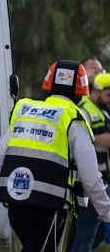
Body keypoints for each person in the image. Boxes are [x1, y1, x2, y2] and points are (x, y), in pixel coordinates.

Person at [0, 60, 110, 252]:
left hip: (17, 206)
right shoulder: (73, 119)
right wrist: (107, 216)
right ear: (81, 93)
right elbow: (90, 179)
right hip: (49, 209)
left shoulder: (23, 111)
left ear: (48, 86)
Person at [71, 72, 110, 251]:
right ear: (96, 91)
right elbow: (84, 139)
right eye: (108, 95)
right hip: (88, 183)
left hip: (102, 181)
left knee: (96, 236)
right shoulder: (84, 111)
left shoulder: (102, 112)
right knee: (85, 237)